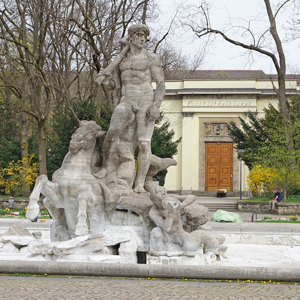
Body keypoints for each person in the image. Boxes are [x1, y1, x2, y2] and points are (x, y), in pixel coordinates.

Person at [94, 24, 165, 193]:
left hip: (146, 100)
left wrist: (156, 105)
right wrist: (106, 79)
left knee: (143, 143)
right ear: (131, 37)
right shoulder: (122, 60)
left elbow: (160, 83)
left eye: (144, 36)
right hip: (126, 99)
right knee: (112, 132)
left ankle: (139, 183)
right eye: (139, 35)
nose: (143, 38)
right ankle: (105, 166)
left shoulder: (150, 58)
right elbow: (114, 85)